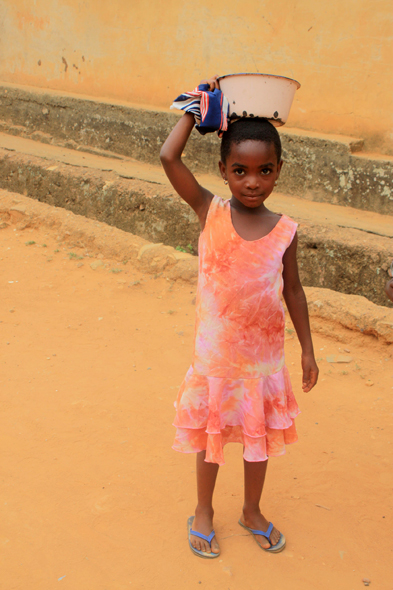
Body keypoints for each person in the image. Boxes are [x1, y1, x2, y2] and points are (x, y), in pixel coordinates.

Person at [160, 75, 319, 558]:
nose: (253, 181)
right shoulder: (209, 211)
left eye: (265, 170)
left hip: (263, 361)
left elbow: (293, 289)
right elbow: (169, 158)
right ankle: (203, 509)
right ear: (225, 171)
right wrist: (194, 110)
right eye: (241, 170)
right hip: (217, 359)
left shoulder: (285, 230)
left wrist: (308, 349)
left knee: (258, 441)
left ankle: (251, 509)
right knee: (212, 437)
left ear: (279, 170)